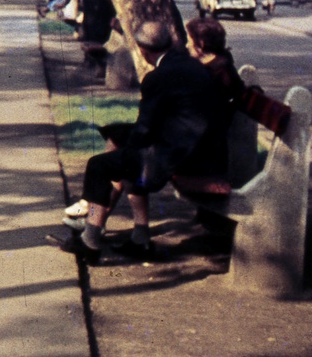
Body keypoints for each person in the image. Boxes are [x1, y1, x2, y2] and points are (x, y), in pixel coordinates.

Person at [60, 19, 233, 264]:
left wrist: (126, 150)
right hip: (202, 151)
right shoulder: (189, 65)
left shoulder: (158, 77)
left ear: (143, 50)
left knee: (99, 165)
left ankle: (90, 238)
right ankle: (139, 238)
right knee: (120, 141)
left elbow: (145, 129)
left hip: (181, 158)